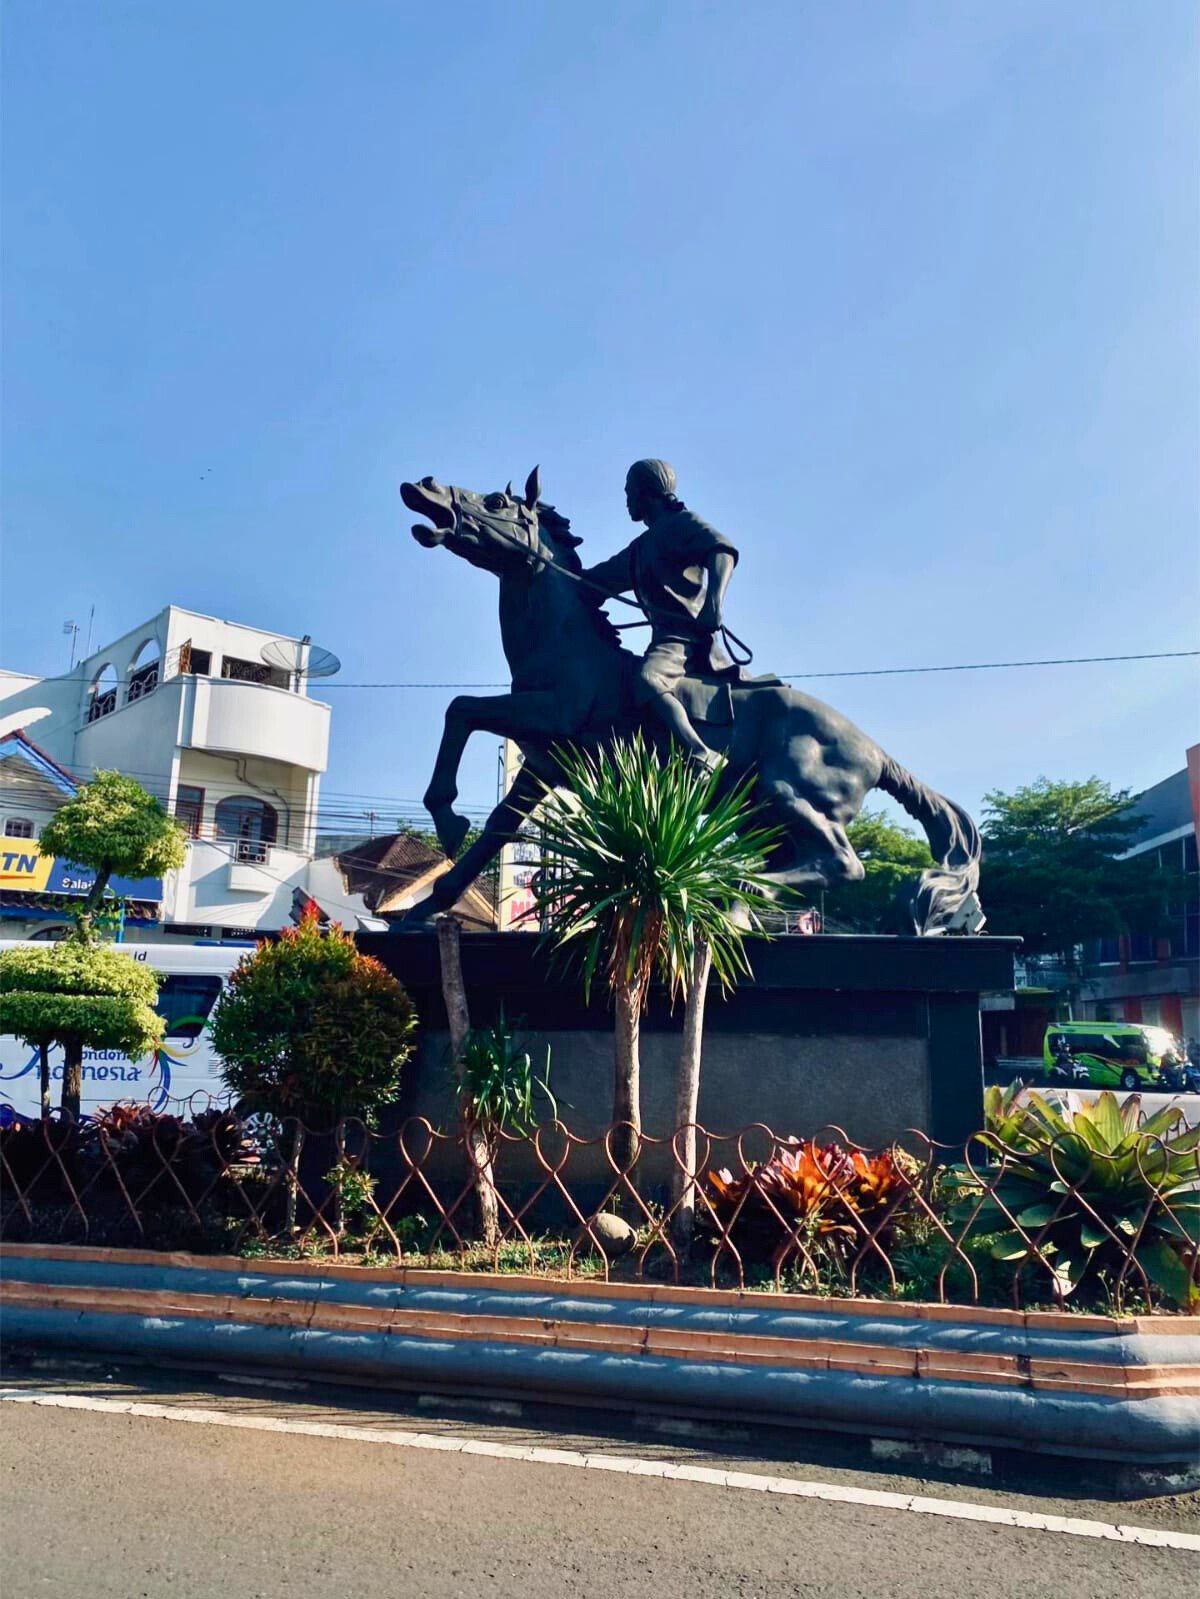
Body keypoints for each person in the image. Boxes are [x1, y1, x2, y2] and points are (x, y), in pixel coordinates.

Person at [583, 459, 738, 771]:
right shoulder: (639, 549)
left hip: (684, 639)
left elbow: (721, 550)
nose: (626, 500)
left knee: (648, 679)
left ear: (646, 492)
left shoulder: (682, 523)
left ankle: (700, 752)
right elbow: (594, 582)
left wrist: (714, 604)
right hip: (664, 639)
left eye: (629, 492)